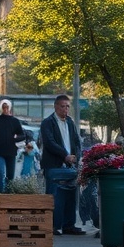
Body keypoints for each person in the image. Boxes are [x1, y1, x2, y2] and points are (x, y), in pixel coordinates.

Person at [40, 94, 84, 235]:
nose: (65, 109)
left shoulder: (70, 122)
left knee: (70, 195)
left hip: (70, 165)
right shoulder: (48, 122)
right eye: (62, 106)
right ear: (56, 106)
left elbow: (77, 141)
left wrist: (76, 156)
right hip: (53, 165)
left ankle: (68, 225)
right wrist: (65, 155)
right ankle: (53, 226)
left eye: (67, 106)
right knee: (54, 196)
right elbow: (49, 142)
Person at [0, 99, 26, 193]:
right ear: (1, 108)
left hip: (11, 152)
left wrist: (16, 138)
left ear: (9, 108)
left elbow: (22, 135)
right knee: (1, 173)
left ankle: (9, 195)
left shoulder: (15, 121)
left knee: (10, 176)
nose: (5, 109)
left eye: (7, 107)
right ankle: (0, 195)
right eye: (3, 107)